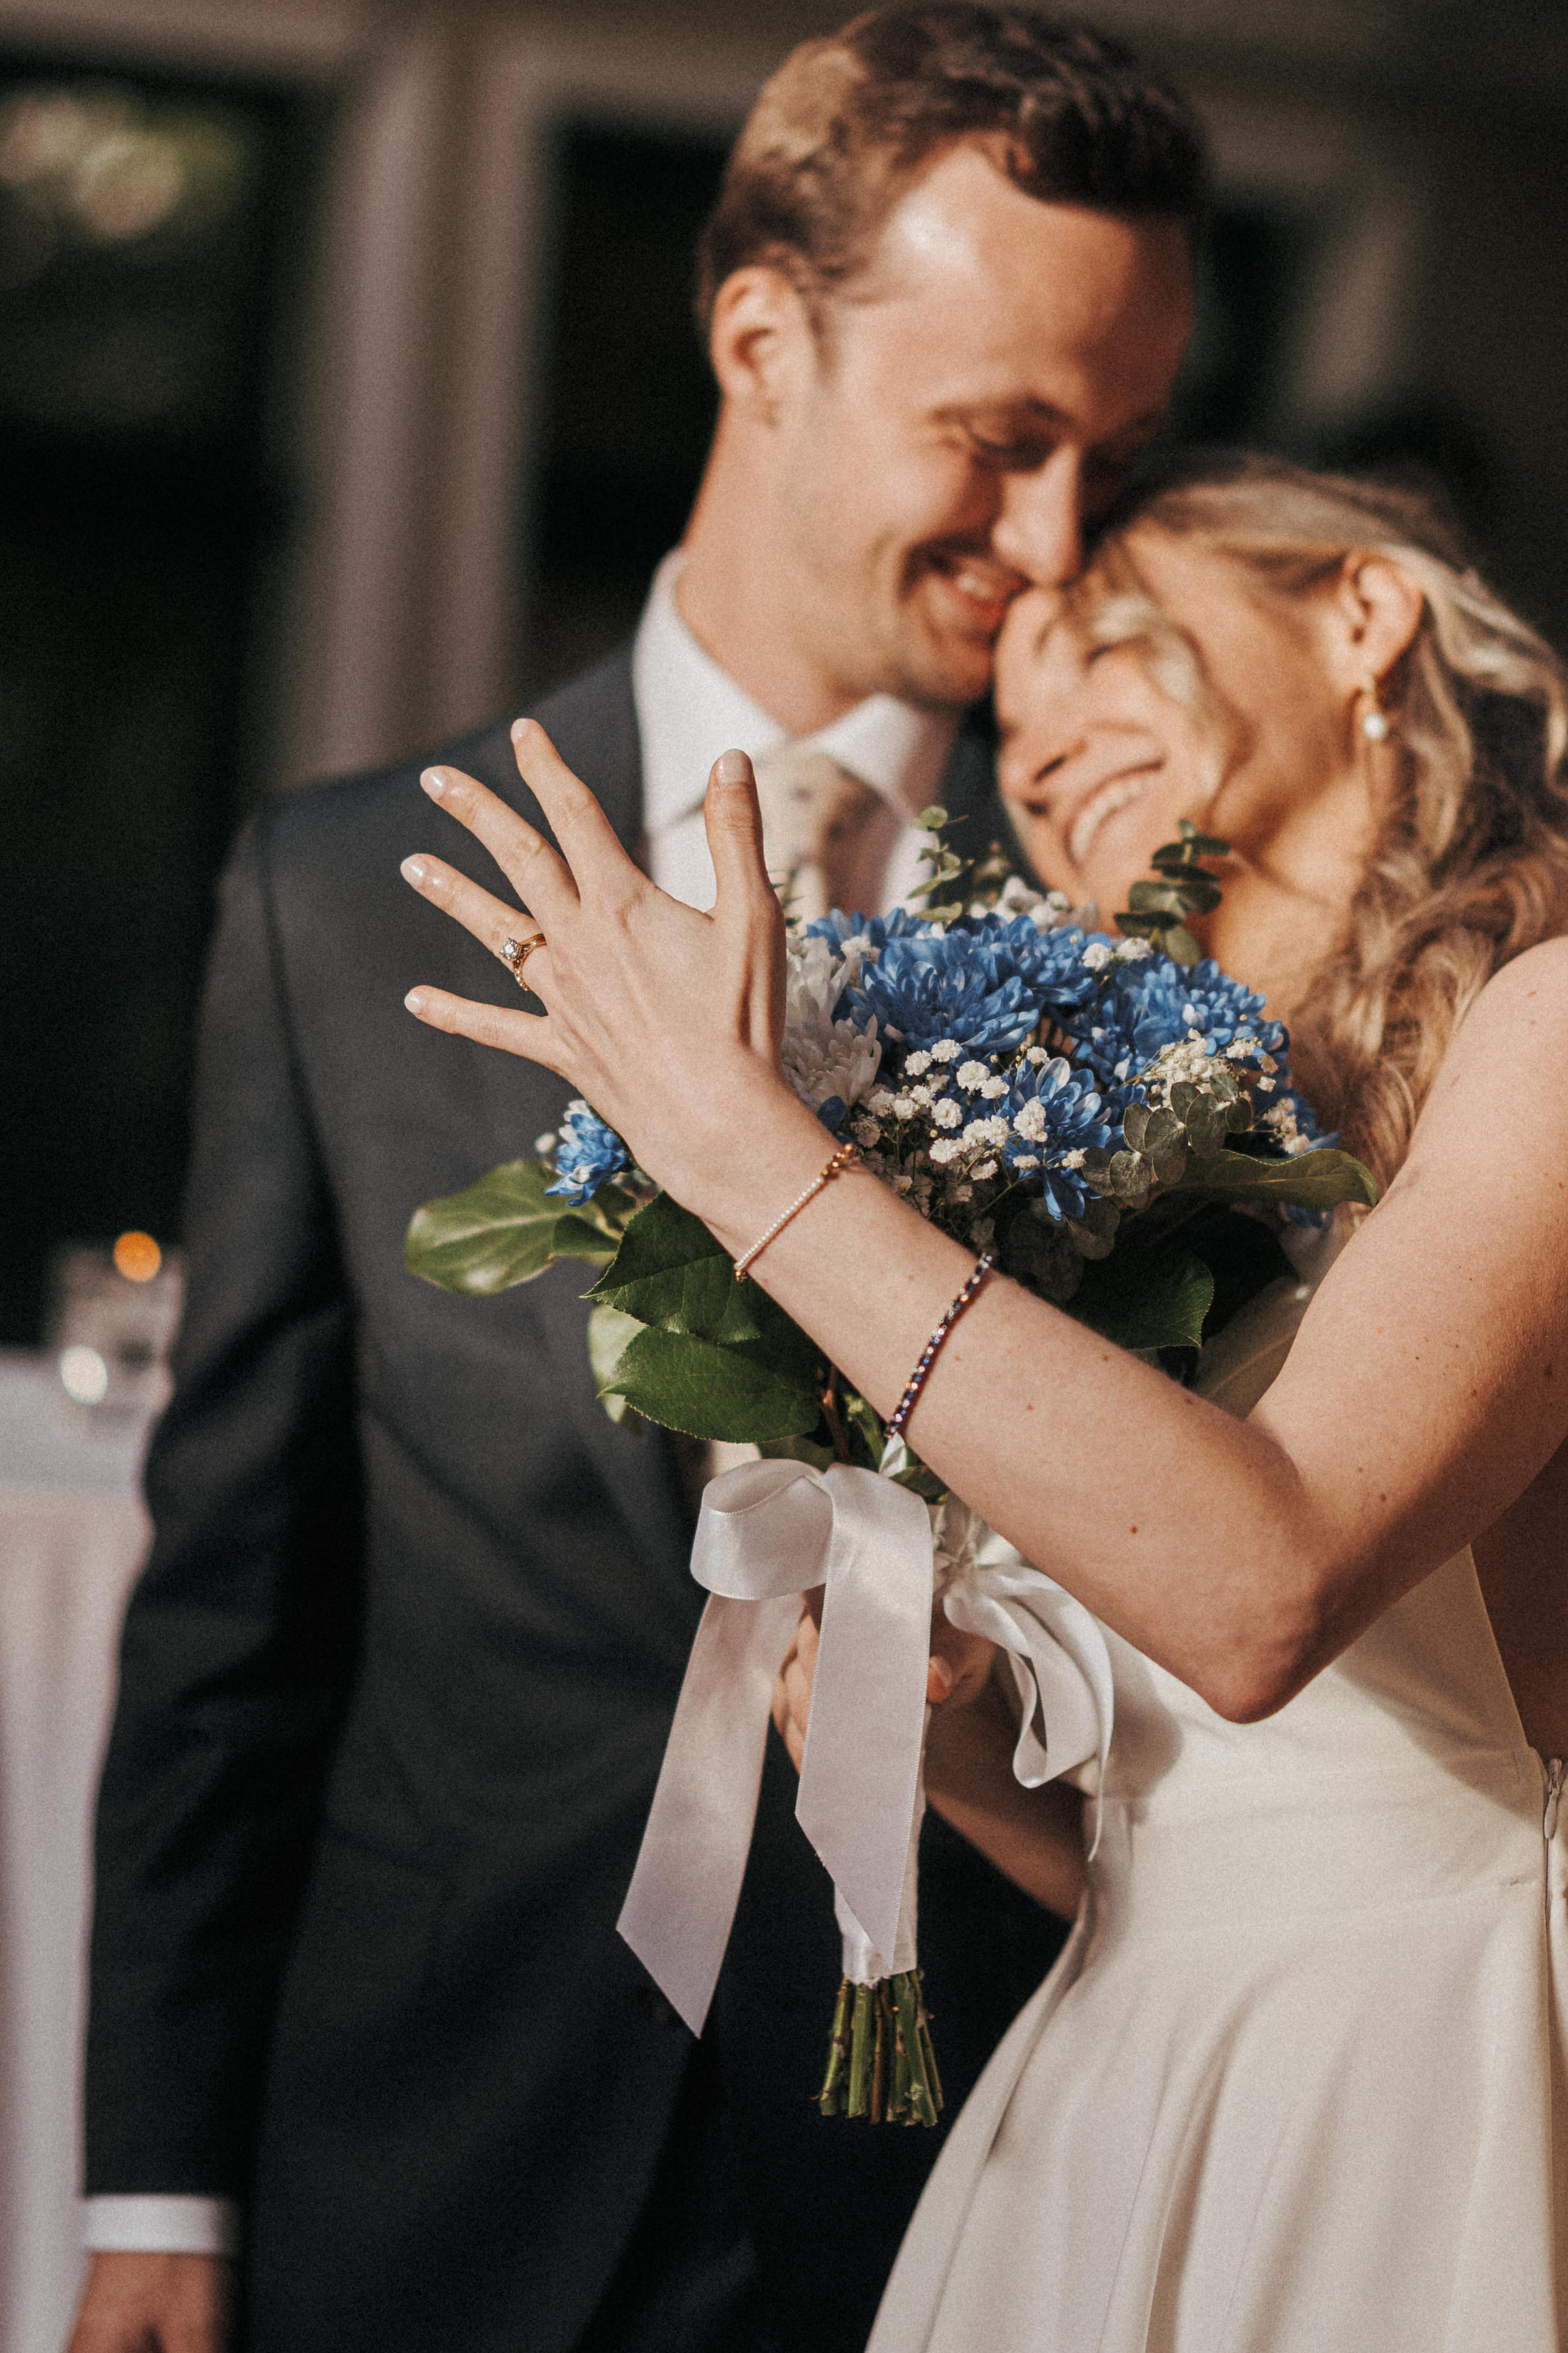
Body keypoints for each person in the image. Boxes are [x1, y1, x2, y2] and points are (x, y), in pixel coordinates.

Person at [69, 11, 1204, 2353]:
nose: (1056, 546)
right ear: (761, 338)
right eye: (999, 440)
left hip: (965, 2159)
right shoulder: (345, 890)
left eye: (1110, 456)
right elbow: (234, 1621)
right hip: (421, 2134)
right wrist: (152, 2186)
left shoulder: (1149, 937)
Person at [396, 450, 1568, 2348]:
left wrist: (748, 1154)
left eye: (1109, 642)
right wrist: (940, 1731)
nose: (1034, 755)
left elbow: (1267, 1591)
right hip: (1122, 2075)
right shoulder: (1154, 1173)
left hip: (1414, 2068)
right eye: (1008, 729)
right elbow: (1150, 1805)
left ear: (1363, 614)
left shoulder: (1553, 1025)